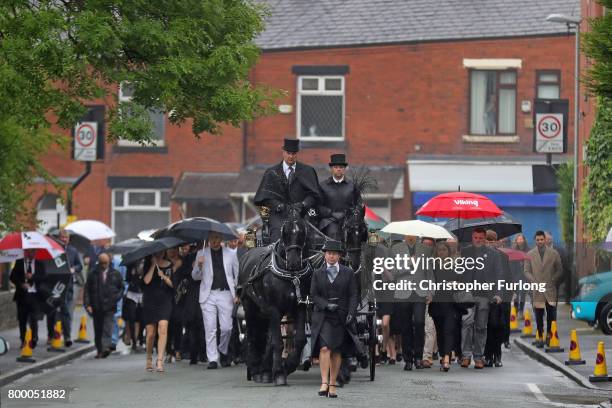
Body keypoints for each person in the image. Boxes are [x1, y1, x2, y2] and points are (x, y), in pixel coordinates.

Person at [311, 240, 359, 399]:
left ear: (339, 256)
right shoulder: (317, 273)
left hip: (341, 315)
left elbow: (353, 295)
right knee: (325, 348)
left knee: (336, 350)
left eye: (334, 253)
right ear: (325, 255)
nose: (331, 256)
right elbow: (313, 296)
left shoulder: (348, 272)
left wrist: (351, 313)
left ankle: (332, 383)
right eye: (329, 253)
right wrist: (325, 305)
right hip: (323, 315)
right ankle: (324, 382)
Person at [253, 138, 321, 242]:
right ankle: (276, 257)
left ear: (297, 154)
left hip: (301, 214)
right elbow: (265, 197)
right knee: (278, 234)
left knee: (304, 234)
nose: (291, 156)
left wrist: (303, 204)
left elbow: (314, 195)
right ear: (283, 152)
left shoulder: (307, 171)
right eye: (288, 153)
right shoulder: (272, 172)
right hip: (279, 214)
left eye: (293, 153)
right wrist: (279, 206)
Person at [192, 232, 239, 369]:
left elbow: (237, 275)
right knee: (210, 328)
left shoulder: (231, 253)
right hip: (208, 295)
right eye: (212, 238)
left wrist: (237, 293)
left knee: (226, 328)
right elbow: (195, 277)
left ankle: (223, 350)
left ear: (221, 239)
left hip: (226, 294)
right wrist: (199, 266)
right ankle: (212, 359)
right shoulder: (201, 253)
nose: (215, 241)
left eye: (217, 238)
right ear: (208, 239)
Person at [459, 227, 502, 369]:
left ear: (485, 239)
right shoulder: (464, 252)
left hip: (485, 294)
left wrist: (498, 293)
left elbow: (498, 275)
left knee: (481, 326)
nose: (478, 240)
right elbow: (459, 272)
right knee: (466, 322)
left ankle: (478, 357)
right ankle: (465, 355)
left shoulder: (493, 254)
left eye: (481, 238)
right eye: (476, 238)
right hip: (467, 293)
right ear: (472, 238)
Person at [390, 235, 434, 371]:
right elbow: (393, 272)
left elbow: (429, 272)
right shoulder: (396, 249)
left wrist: (431, 291)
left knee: (420, 323)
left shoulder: (425, 249)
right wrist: (408, 264)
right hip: (403, 292)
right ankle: (408, 359)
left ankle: (418, 357)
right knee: (406, 326)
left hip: (420, 292)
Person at [524, 230, 563, 346]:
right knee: (538, 315)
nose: (540, 241)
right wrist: (533, 280)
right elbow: (526, 271)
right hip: (537, 289)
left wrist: (553, 279)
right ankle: (539, 336)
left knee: (551, 315)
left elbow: (560, 269)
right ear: (535, 240)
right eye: (538, 240)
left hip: (550, 289)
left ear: (545, 240)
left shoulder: (554, 253)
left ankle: (550, 336)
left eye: (542, 239)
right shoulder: (530, 254)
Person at [84, 253, 123, 359]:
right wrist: (87, 304)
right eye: (101, 263)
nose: (103, 265)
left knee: (107, 328)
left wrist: (116, 298)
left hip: (110, 306)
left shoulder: (115, 274)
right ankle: (99, 350)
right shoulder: (93, 273)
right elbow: (87, 290)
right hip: (96, 305)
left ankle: (105, 348)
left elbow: (121, 288)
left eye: (105, 263)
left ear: (109, 262)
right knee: (98, 329)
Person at [317, 154, 363, 242]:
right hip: (329, 221)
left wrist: (349, 214)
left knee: (357, 235)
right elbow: (318, 206)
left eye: (341, 167)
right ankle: (335, 255)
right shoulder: (322, 186)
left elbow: (358, 204)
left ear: (344, 169)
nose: (338, 169)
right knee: (334, 232)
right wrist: (330, 213)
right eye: (336, 167)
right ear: (331, 169)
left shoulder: (352, 186)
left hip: (349, 221)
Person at [142, 251, 175, 372]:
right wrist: (152, 266)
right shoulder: (147, 264)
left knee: (163, 327)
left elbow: (173, 285)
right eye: (157, 252)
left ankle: (160, 360)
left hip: (165, 300)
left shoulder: (170, 265)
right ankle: (149, 358)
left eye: (162, 252)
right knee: (150, 334)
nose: (159, 254)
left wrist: (164, 277)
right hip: (150, 300)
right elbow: (146, 281)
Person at [483, 230, 511, 367]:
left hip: (499, 297)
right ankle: (488, 355)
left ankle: (497, 355)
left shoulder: (503, 256)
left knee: (497, 325)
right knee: (486, 326)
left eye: (491, 241)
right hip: (484, 296)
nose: (489, 244)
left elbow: (504, 276)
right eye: (486, 241)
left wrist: (502, 294)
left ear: (496, 242)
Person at [428, 241, 458, 372]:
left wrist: (455, 283)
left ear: (448, 252)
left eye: (444, 250)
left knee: (448, 330)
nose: (441, 252)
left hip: (451, 303)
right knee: (440, 332)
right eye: (439, 250)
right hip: (436, 303)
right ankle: (442, 355)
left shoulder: (455, 265)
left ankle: (447, 358)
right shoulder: (432, 266)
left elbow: (461, 281)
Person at [10, 249, 46, 349]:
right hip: (22, 296)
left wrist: (32, 277)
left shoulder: (39, 263)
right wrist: (21, 284)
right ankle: (23, 340)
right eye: (31, 252)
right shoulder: (20, 262)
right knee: (22, 319)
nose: (33, 254)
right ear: (26, 252)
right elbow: (12, 276)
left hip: (35, 295)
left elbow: (44, 277)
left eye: (34, 252)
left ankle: (34, 338)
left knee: (34, 319)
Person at [55, 229, 83, 347]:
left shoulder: (73, 251)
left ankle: (67, 337)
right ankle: (54, 336)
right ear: (59, 238)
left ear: (69, 239)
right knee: (55, 313)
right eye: (62, 237)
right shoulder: (54, 250)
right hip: (55, 285)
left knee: (67, 312)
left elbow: (80, 265)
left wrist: (73, 269)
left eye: (66, 238)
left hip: (69, 286)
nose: (64, 240)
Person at [165, 246, 190, 363]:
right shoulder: (164, 263)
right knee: (167, 325)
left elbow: (187, 278)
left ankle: (178, 350)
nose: (172, 251)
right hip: (166, 297)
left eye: (174, 249)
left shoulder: (183, 262)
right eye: (170, 249)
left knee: (178, 323)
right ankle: (168, 351)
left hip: (180, 298)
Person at [122, 262, 144, 352]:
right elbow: (127, 279)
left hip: (143, 295)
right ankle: (134, 341)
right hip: (132, 294)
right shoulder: (131, 266)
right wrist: (134, 275)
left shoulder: (148, 264)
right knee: (131, 318)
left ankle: (141, 340)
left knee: (141, 319)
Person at [511, 233, 529, 318]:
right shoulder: (513, 251)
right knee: (516, 294)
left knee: (523, 294)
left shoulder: (528, 250)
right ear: (516, 241)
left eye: (522, 239)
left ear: (524, 240)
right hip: (515, 276)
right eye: (519, 239)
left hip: (525, 276)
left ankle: (521, 310)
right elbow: (510, 264)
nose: (520, 241)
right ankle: (515, 310)